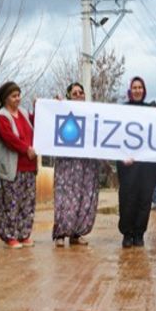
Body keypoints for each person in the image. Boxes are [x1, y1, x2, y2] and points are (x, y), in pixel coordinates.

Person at [52, 82, 100, 247]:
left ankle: (76, 233)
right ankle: (60, 233)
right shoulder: (63, 110)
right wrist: (54, 105)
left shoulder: (92, 113)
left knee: (84, 197)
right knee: (65, 198)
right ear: (69, 96)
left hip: (87, 163)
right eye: (75, 93)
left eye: (81, 93)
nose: (79, 95)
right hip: (67, 163)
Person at [117, 76, 156, 248]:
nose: (137, 90)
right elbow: (116, 136)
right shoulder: (122, 110)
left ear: (144, 90)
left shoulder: (151, 109)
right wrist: (121, 157)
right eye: (134, 87)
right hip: (128, 165)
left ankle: (139, 234)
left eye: (140, 87)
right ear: (130, 90)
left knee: (144, 200)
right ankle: (127, 234)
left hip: (147, 166)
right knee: (128, 199)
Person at [0, 81, 37, 249]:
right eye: (14, 96)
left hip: (29, 167)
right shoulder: (2, 117)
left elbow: (40, 122)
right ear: (5, 99)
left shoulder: (25, 113)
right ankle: (10, 236)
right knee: (10, 202)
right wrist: (26, 149)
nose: (18, 98)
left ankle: (24, 234)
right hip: (13, 168)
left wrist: (41, 107)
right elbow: (10, 138)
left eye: (19, 95)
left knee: (27, 203)